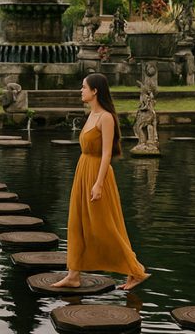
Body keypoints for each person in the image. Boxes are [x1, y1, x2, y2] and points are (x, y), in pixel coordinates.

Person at [52, 73, 151, 291]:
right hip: (83, 170)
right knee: (76, 222)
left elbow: (107, 154)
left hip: (98, 174)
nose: (81, 90)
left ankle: (135, 270)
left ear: (95, 91)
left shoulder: (106, 117)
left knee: (104, 226)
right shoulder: (91, 115)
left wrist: (98, 183)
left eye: (84, 87)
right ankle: (73, 275)